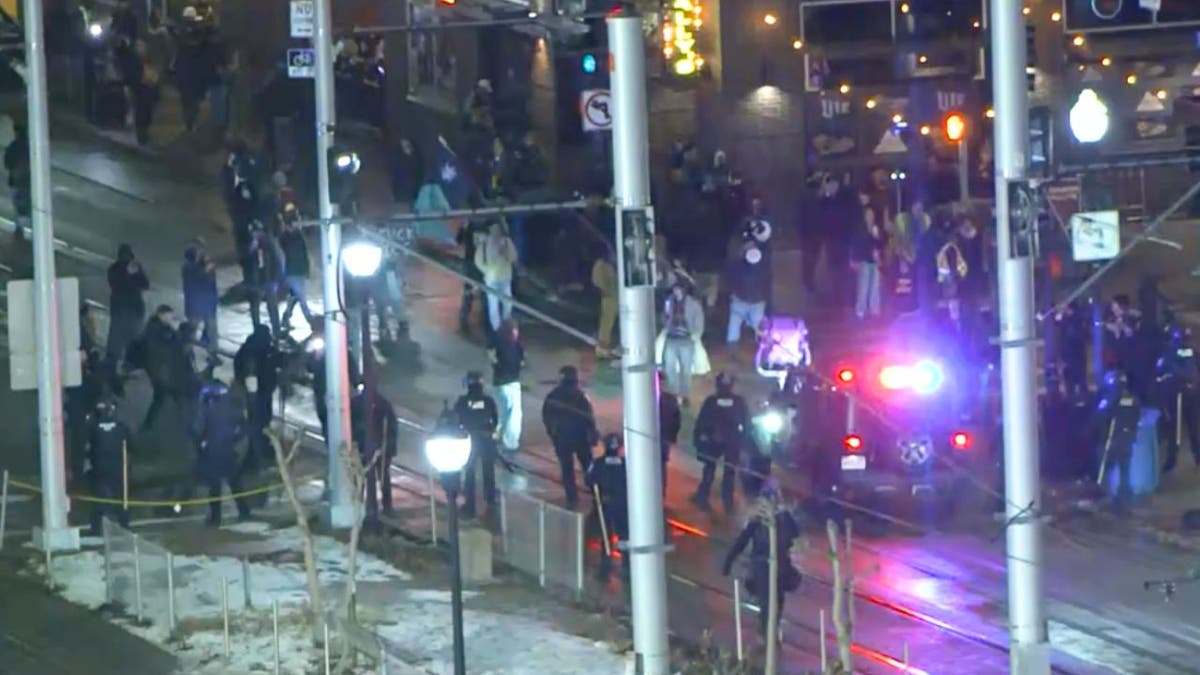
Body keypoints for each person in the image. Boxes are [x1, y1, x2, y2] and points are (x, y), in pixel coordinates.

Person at [721, 481, 802, 638]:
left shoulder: (783, 518)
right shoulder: (758, 520)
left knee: (777, 601)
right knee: (767, 602)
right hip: (763, 566)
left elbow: (795, 537)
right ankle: (766, 634)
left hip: (779, 567)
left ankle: (770, 631)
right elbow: (742, 541)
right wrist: (728, 562)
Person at [192, 377, 252, 526]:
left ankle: (215, 517)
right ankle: (244, 510)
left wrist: (199, 442)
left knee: (214, 485)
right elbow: (243, 428)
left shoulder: (210, 404)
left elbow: (199, 426)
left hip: (213, 448)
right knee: (234, 481)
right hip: (229, 449)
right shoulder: (235, 406)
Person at [692, 373, 750, 512]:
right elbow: (747, 424)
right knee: (720, 471)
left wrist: (699, 438)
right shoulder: (736, 402)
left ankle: (708, 497)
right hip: (724, 441)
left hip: (721, 441)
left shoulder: (713, 401)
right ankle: (720, 500)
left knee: (713, 470)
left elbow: (701, 422)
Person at [542, 366, 598, 508]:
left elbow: (547, 418)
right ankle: (596, 493)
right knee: (588, 466)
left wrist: (553, 435)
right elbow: (589, 417)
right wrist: (592, 433)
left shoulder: (553, 396)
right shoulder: (581, 396)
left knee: (567, 469)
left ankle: (572, 497)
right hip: (581, 437)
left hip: (562, 438)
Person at [453, 371, 499, 519]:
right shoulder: (488, 401)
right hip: (486, 439)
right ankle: (491, 499)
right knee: (488, 470)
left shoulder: (462, 401)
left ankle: (469, 505)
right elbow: (495, 419)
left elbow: (456, 419)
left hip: (470, 439)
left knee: (470, 472)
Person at [724, 218, 772, 361]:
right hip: (747, 300)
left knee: (741, 329)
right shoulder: (759, 262)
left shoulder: (742, 261)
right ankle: (757, 353)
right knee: (739, 329)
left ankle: (761, 353)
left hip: (750, 301)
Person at [351, 383, 398, 522]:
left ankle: (384, 505)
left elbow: (391, 427)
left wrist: (388, 447)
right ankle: (362, 504)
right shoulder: (360, 404)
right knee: (363, 477)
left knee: (380, 477)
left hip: (377, 447)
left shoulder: (381, 404)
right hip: (364, 447)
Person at [234, 324, 279, 471]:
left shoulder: (255, 349)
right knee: (258, 423)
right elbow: (250, 373)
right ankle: (256, 456)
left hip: (262, 393)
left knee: (260, 422)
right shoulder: (252, 353)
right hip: (257, 395)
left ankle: (260, 451)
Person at [86, 395, 132, 534]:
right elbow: (133, 445)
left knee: (99, 496)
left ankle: (96, 526)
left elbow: (88, 447)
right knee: (120, 496)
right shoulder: (121, 427)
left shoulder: (93, 427)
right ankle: (124, 523)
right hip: (118, 467)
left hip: (100, 467)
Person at [1157, 325, 1200, 473]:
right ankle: (1193, 455)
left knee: (1176, 429)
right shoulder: (1190, 350)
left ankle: (1173, 458)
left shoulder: (1171, 352)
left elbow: (1163, 371)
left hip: (1180, 394)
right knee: (1191, 427)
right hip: (1188, 393)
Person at [139, 305, 190, 431]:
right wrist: (176, 331)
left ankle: (149, 425)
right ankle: (183, 425)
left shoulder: (155, 327)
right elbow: (172, 346)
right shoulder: (159, 330)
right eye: (169, 315)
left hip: (162, 370)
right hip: (162, 370)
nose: (171, 318)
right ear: (162, 315)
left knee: (163, 398)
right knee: (168, 396)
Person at [586, 433, 629, 580]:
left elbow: (589, 480)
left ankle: (605, 566)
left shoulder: (598, 463)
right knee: (624, 535)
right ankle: (627, 565)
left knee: (606, 536)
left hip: (604, 505)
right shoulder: (625, 464)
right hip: (622, 505)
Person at [661, 280, 705, 406]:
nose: (676, 292)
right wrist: (667, 325)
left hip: (686, 340)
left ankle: (685, 395)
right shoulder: (669, 302)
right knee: (669, 367)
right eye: (674, 289)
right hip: (671, 338)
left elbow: (699, 322)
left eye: (678, 289)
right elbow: (664, 317)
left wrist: (695, 335)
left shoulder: (693, 304)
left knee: (686, 369)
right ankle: (673, 394)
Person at [106, 243, 149, 370]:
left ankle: (129, 364)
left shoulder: (135, 267)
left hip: (131, 309)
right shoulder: (114, 269)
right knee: (117, 340)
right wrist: (129, 274)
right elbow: (116, 284)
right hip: (123, 310)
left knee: (130, 339)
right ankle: (113, 365)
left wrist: (137, 273)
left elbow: (145, 284)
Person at [474, 220, 518, 333]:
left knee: (508, 302)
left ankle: (505, 322)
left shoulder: (507, 242)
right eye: (494, 229)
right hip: (491, 279)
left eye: (498, 229)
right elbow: (478, 260)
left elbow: (514, 258)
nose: (496, 231)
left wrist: (506, 252)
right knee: (493, 305)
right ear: (490, 230)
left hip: (505, 278)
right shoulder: (484, 243)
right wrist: (486, 270)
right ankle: (497, 329)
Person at [490, 319, 525, 459]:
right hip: (511, 383)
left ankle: (498, 434)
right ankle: (511, 443)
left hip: (498, 382)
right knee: (514, 415)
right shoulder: (516, 345)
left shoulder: (496, 342)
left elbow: (493, 359)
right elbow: (521, 362)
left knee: (503, 411)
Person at [243, 220, 284, 336]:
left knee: (272, 306)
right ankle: (257, 329)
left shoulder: (269, 243)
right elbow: (246, 262)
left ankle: (276, 330)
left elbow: (277, 261)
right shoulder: (251, 245)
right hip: (256, 281)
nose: (254, 235)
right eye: (252, 233)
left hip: (269, 279)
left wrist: (275, 279)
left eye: (255, 232)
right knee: (255, 307)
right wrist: (251, 249)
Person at [278, 205, 314, 333]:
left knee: (295, 297)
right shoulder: (284, 238)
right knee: (301, 298)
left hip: (298, 271)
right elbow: (282, 256)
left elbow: (304, 253)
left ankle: (285, 319)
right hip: (292, 272)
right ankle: (311, 322)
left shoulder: (298, 235)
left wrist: (307, 269)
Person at [182, 239, 219, 354]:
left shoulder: (204, 267)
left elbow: (212, 285)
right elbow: (195, 282)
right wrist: (206, 270)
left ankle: (213, 352)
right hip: (195, 306)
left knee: (212, 330)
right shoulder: (188, 268)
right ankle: (186, 352)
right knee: (191, 330)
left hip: (207, 305)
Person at [852, 207, 884, 320]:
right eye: (868, 214)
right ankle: (860, 311)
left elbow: (880, 244)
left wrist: (876, 237)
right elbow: (856, 243)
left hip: (875, 262)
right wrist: (854, 259)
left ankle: (874, 311)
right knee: (863, 287)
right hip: (864, 260)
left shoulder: (876, 229)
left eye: (871, 214)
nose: (870, 217)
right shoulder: (860, 229)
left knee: (875, 287)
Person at [591, 246, 619, 360]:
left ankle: (614, 347)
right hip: (608, 297)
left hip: (617, 296)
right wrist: (604, 290)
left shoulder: (614, 265)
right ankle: (602, 349)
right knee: (606, 324)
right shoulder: (601, 264)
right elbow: (597, 281)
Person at [658, 371, 681, 495]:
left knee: (659, 467)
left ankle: (660, 494)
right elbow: (677, 420)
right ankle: (660, 494)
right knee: (659, 467)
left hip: (662, 439)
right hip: (663, 439)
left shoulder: (670, 399)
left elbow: (676, 420)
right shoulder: (670, 399)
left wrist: (672, 437)